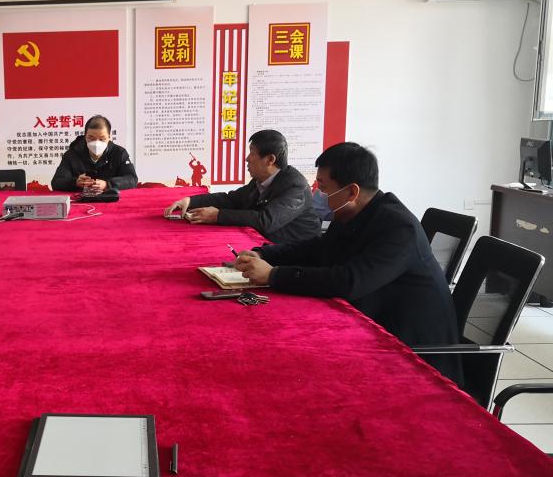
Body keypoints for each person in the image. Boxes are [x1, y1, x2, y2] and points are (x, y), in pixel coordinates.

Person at [233, 142, 462, 385]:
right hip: (369, 327)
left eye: (323, 187)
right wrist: (265, 254)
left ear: (352, 192)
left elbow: (349, 281)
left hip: (413, 357)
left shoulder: (398, 227)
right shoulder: (354, 213)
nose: (317, 194)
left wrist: (273, 275)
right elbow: (318, 249)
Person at [164, 130, 321, 244]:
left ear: (270, 160)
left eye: (252, 153)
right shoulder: (261, 179)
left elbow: (266, 221)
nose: (247, 159)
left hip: (296, 252)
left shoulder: (295, 186)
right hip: (264, 244)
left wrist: (218, 216)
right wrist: (190, 201)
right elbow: (231, 199)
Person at [51, 115, 138, 192]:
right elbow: (56, 182)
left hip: (110, 199)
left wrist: (107, 184)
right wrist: (75, 182)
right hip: (80, 200)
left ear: (109, 137)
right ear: (85, 136)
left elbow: (132, 179)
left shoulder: (119, 153)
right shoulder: (72, 154)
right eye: (91, 138)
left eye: (102, 139)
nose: (96, 143)